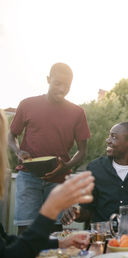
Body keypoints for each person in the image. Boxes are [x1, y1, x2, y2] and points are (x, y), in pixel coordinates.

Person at [0, 109, 95, 258]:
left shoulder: (76, 113)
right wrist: (50, 209)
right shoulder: (28, 105)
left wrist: (60, 243)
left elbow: (7, 243)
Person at [8, 62, 90, 234]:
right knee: (26, 230)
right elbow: (11, 135)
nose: (61, 89)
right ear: (48, 80)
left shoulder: (77, 112)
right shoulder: (27, 104)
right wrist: (17, 151)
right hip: (28, 175)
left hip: (59, 180)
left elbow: (82, 151)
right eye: (57, 83)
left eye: (66, 85)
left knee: (54, 231)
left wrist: (66, 166)